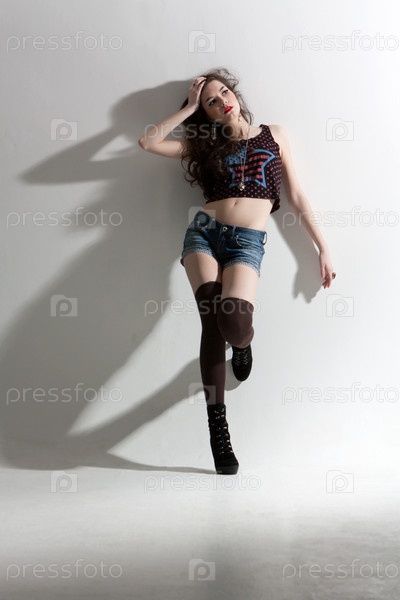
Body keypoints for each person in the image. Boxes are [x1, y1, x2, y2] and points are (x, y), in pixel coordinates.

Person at [138, 68, 335, 476]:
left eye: (224, 92)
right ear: (206, 112)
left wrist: (323, 247)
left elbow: (297, 195)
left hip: (247, 240)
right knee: (212, 325)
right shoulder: (204, 143)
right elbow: (148, 141)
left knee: (234, 324)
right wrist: (189, 108)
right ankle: (218, 427)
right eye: (211, 101)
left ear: (235, 93)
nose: (221, 101)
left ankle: (242, 346)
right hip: (203, 234)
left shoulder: (274, 134)